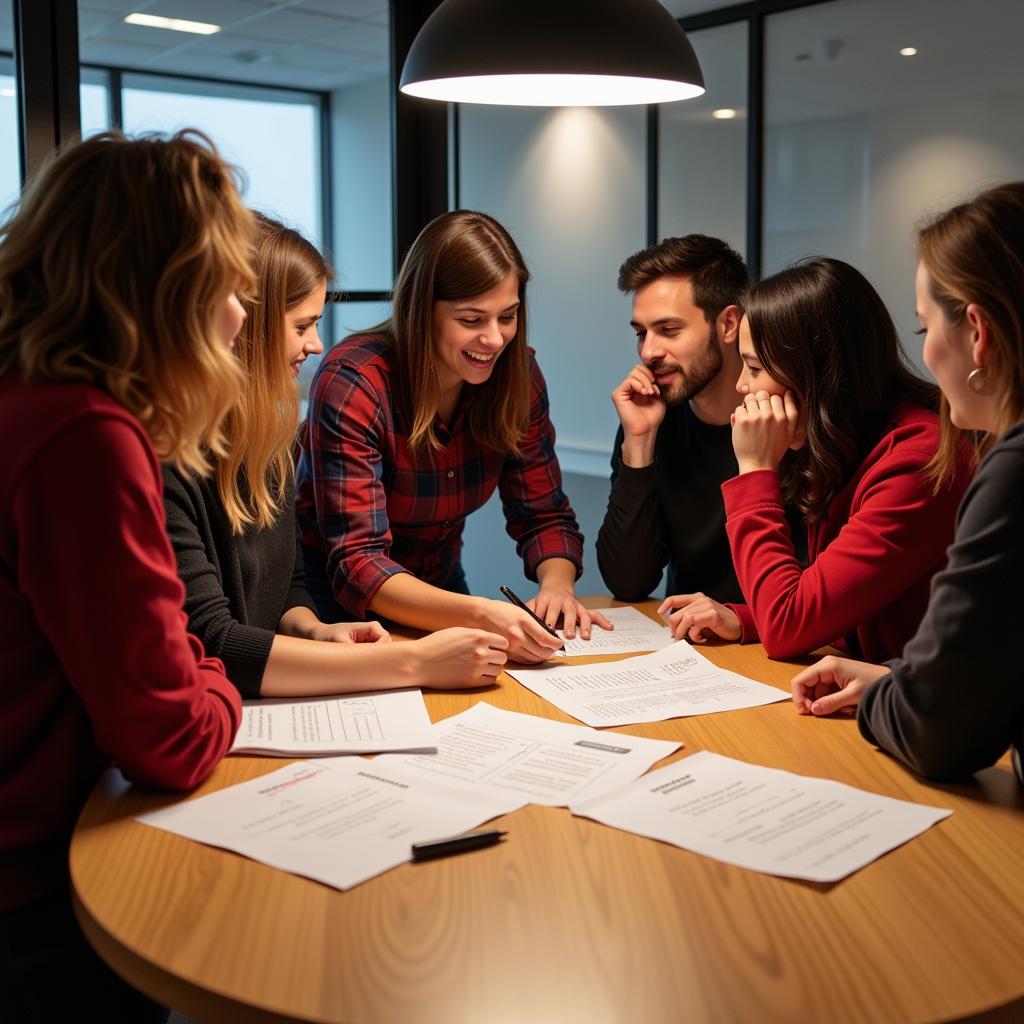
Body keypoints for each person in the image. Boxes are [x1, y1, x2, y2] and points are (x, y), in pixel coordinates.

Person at [0, 131, 252, 1021]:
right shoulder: (86, 438)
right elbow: (173, 737)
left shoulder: (27, 395)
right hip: (33, 891)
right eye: (227, 284)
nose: (239, 316)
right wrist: (218, 678)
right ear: (166, 289)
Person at [164, 214, 509, 696]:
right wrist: (411, 662)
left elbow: (287, 585)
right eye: (302, 325)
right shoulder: (166, 463)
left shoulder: (269, 443)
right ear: (246, 324)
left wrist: (314, 630)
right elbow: (211, 641)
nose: (316, 344)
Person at [296, 209, 608, 662]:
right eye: (471, 319)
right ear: (423, 313)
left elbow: (544, 515)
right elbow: (358, 563)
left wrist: (556, 588)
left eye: (508, 315)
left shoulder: (517, 375)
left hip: (443, 587)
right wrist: (482, 615)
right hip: (339, 609)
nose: (496, 339)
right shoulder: (354, 381)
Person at [791, 184, 1024, 786]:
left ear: (977, 331)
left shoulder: (994, 467)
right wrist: (900, 679)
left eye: (924, 330)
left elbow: (938, 731)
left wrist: (888, 699)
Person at [667, 257, 971, 661]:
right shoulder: (844, 442)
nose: (741, 385)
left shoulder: (917, 461)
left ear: (816, 374)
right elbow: (830, 602)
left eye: (755, 368)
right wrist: (746, 619)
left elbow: (787, 628)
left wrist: (755, 470)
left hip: (919, 712)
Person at [596, 235, 803, 610]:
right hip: (689, 647)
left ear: (728, 324)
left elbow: (812, 593)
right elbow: (628, 582)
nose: (648, 352)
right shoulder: (651, 420)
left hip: (779, 647)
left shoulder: (790, 422)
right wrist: (639, 445)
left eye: (669, 330)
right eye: (641, 333)